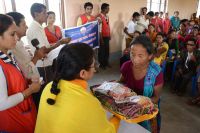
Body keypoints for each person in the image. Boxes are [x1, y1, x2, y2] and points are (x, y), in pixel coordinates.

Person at [35, 43, 117, 133]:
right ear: (82, 73)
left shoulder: (49, 87)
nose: (94, 69)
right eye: (94, 66)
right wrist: (117, 116)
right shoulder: (89, 103)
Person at [0, 14, 41, 133]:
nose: (17, 38)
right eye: (12, 34)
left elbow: (11, 83)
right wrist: (30, 91)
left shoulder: (9, 55)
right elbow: (1, 103)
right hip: (13, 122)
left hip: (24, 114)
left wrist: (27, 83)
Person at [27, 3, 70, 109]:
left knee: (50, 84)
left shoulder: (39, 27)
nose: (46, 15)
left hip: (47, 61)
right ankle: (46, 109)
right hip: (42, 64)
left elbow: (45, 46)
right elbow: (44, 51)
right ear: (36, 14)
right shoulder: (35, 28)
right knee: (45, 88)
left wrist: (55, 45)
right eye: (44, 13)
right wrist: (60, 43)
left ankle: (48, 106)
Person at [119, 35, 163, 132]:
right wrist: (117, 89)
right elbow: (121, 82)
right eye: (132, 54)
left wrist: (139, 104)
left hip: (146, 110)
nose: (135, 59)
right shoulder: (126, 66)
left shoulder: (156, 73)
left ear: (150, 56)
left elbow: (156, 98)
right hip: (127, 106)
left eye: (140, 55)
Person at [7, 12, 46, 80]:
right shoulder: (14, 47)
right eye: (23, 24)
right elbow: (26, 73)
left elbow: (26, 63)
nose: (27, 27)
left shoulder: (20, 43)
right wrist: (36, 57)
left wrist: (34, 56)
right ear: (14, 27)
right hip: (29, 86)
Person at [97, 3, 111, 69]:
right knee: (102, 51)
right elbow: (99, 29)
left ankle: (106, 62)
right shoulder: (99, 17)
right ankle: (102, 64)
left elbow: (108, 26)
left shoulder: (107, 16)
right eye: (108, 8)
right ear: (104, 9)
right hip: (102, 37)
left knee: (107, 50)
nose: (109, 9)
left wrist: (109, 34)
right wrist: (101, 38)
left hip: (107, 36)